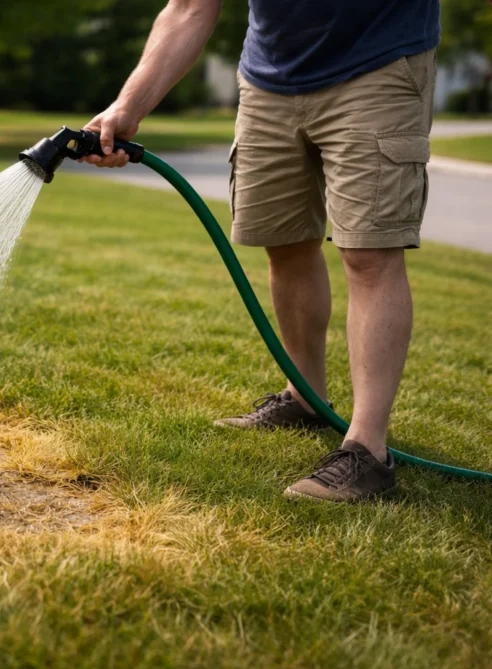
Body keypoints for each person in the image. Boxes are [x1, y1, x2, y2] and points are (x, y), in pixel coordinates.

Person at [81, 0, 439, 502]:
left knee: (369, 253)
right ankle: (306, 397)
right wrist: (128, 106)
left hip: (377, 67)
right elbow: (189, 7)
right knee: (284, 241)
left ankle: (367, 452)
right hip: (268, 80)